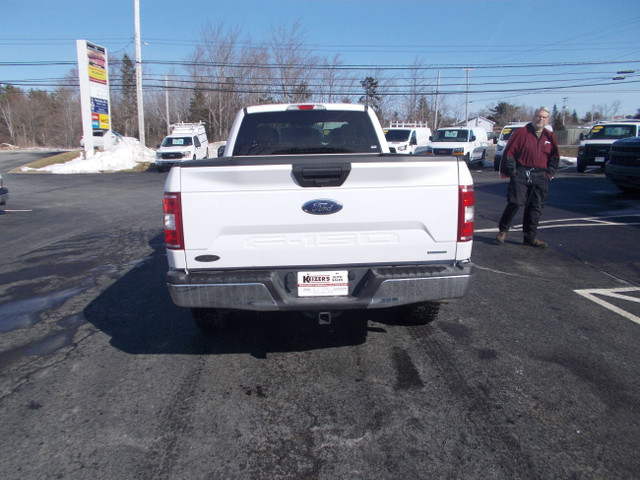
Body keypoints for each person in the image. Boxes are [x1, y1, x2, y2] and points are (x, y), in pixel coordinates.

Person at [495, 107, 559, 248]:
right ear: (534, 116)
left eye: (544, 117)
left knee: (536, 207)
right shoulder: (521, 133)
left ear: (547, 120)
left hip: (541, 175)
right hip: (522, 173)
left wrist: (549, 172)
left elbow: (555, 156)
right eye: (538, 116)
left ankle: (530, 237)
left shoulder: (549, 136)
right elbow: (509, 153)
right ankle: (503, 231)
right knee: (515, 203)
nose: (540, 119)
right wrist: (513, 172)